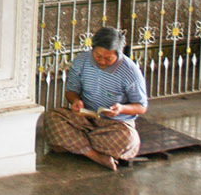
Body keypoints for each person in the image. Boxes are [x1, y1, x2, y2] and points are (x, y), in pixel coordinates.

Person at [44, 26, 148, 170]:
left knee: (129, 140)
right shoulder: (81, 61)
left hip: (115, 125)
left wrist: (121, 108)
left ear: (118, 53)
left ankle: (74, 144)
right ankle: (95, 155)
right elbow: (71, 91)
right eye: (98, 56)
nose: (102, 62)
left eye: (108, 58)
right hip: (85, 119)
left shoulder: (130, 72)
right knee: (51, 117)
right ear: (92, 49)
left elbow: (141, 107)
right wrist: (75, 101)